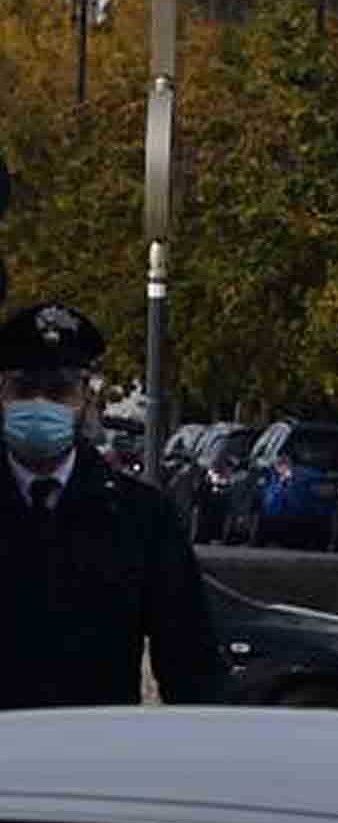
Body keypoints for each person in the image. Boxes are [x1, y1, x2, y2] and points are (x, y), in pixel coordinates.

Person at [0, 301, 219, 711]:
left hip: (97, 745)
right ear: (2, 394)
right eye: (24, 389)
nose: (40, 404)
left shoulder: (141, 518)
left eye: (59, 391)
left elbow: (192, 665)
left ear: (85, 397)